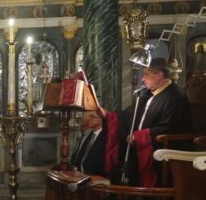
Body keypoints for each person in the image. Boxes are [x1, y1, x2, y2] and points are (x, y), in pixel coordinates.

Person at [98, 58, 192, 187]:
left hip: (163, 150)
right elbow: (130, 114)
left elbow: (170, 127)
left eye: (146, 74)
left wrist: (139, 136)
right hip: (141, 146)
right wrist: (108, 116)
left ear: (159, 75)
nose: (142, 79)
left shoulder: (175, 96)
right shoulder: (148, 94)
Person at [70, 111, 105, 176]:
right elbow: (81, 155)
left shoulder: (105, 136)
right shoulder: (90, 134)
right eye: (89, 117)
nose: (89, 119)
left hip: (96, 176)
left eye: (93, 117)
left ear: (101, 119)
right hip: (81, 174)